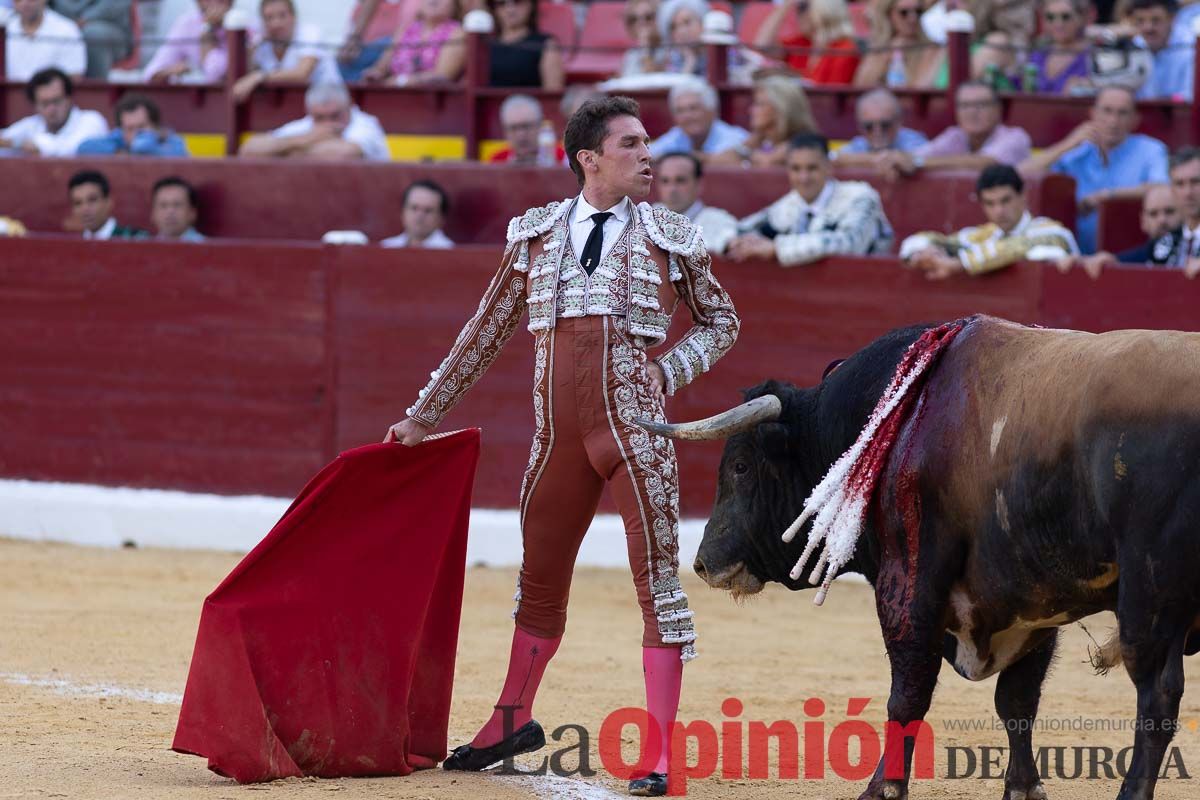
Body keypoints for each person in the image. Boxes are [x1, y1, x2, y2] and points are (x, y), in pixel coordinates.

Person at [385, 96, 738, 798]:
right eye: (633, 144)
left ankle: (661, 753)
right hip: (557, 442)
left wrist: (666, 371)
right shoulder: (536, 236)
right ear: (590, 157)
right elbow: (483, 333)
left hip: (636, 433)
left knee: (657, 587)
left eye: (649, 143)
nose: (649, 156)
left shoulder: (672, 235)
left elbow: (721, 322)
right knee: (537, 582)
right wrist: (423, 415)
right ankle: (510, 720)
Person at [1019, 85, 1168, 253]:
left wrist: (1108, 195)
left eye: (1122, 113)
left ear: (1135, 120)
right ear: (1093, 114)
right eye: (1107, 111)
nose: (1113, 121)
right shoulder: (1077, 149)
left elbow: (1162, 188)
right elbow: (1019, 176)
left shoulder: (1150, 149)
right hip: (1072, 253)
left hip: (1129, 252)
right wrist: (1067, 144)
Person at [729, 133, 894, 266]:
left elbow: (850, 243)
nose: (803, 178)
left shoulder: (860, 197)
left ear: (828, 167)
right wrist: (741, 243)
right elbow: (741, 230)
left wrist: (777, 248)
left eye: (812, 168)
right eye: (796, 169)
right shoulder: (789, 204)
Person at [899, 164, 1078, 278]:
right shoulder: (981, 235)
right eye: (990, 203)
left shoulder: (1050, 231)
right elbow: (928, 239)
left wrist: (960, 263)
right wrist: (924, 253)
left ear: (1023, 195)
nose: (999, 211)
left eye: (1005, 200)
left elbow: (1018, 246)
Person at [875, 81, 1031, 180]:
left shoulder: (1016, 137)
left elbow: (986, 162)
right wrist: (896, 160)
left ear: (998, 109)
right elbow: (917, 155)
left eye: (981, 104)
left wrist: (916, 163)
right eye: (965, 106)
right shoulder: (956, 135)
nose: (972, 112)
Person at [239, 82, 390, 161]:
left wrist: (284, 151)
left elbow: (344, 155)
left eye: (335, 116)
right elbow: (248, 150)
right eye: (320, 118)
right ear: (310, 112)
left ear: (350, 106)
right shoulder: (306, 125)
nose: (327, 124)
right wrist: (309, 138)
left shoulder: (366, 125)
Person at [232, 0, 343, 104]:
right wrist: (250, 49)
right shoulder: (261, 42)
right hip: (291, 108)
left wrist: (259, 77)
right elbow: (245, 80)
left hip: (330, 105)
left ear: (294, 17)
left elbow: (302, 74)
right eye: (269, 18)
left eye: (282, 16)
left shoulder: (310, 33)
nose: (276, 23)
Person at [1058, 182, 1178, 276]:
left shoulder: (1193, 246)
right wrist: (1083, 262)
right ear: (1143, 222)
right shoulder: (1145, 252)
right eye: (1153, 214)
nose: (1162, 220)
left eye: (1169, 212)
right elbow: (1120, 260)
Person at [709, 75, 818, 168]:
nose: (751, 110)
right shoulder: (761, 140)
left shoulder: (804, 142)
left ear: (781, 109)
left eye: (759, 104)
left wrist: (746, 153)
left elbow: (768, 163)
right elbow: (717, 161)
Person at [0, 67, 107, 156]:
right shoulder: (32, 124)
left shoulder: (92, 120)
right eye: (45, 103)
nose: (51, 109)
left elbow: (71, 149)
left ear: (69, 99)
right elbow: (5, 139)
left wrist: (28, 144)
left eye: (56, 101)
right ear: (35, 106)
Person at [752, 0, 861, 84]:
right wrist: (785, 6)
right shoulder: (803, 42)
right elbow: (762, 47)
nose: (798, 13)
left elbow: (829, 99)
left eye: (804, 7)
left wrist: (792, 79)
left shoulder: (845, 49)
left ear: (825, 11)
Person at [360, 0, 465, 85]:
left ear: (455, 5)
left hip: (431, 102)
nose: (434, 0)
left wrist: (402, 81)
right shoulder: (404, 30)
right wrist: (374, 75)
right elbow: (381, 68)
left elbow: (442, 76)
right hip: (394, 96)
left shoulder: (458, 33)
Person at [654, 151, 739, 255]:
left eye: (680, 181)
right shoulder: (645, 217)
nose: (672, 189)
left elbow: (728, 244)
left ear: (698, 184)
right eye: (665, 181)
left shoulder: (720, 220)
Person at [648, 77, 749, 161]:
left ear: (712, 111)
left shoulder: (735, 138)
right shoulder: (678, 134)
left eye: (694, 108)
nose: (687, 116)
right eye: (680, 111)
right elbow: (650, 155)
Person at [143, 0, 243, 84]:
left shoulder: (245, 25)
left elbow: (215, 74)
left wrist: (208, 28)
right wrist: (168, 73)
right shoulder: (187, 24)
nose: (214, 2)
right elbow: (150, 74)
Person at [831, 88, 928, 167]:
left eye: (885, 125)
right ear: (860, 126)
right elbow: (832, 158)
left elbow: (924, 159)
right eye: (869, 126)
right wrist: (875, 159)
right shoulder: (860, 143)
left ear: (899, 122)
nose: (877, 132)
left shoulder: (913, 141)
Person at [853, 0, 941, 87]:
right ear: (889, 15)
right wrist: (888, 56)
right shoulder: (877, 50)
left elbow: (922, 87)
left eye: (918, 12)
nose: (913, 18)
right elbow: (860, 87)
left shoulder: (932, 50)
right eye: (904, 13)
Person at [1016, 0, 1093, 94]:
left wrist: (1087, 88)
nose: (1058, 24)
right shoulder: (1038, 53)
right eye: (1050, 17)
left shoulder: (1093, 54)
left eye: (1065, 17)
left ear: (1080, 19)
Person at [77, 93, 189, 157]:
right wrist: (119, 152)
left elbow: (176, 154)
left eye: (141, 127)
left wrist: (141, 149)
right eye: (130, 129)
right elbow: (84, 147)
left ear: (154, 125)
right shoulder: (119, 140)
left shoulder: (171, 140)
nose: (136, 133)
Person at [487, 0, 564, 89]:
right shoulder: (484, 45)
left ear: (531, 4)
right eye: (501, 3)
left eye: (518, 2)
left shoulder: (547, 44)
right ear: (494, 9)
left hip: (529, 101)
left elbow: (553, 94)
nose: (510, 9)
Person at [1129, 0, 1194, 100]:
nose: (1148, 28)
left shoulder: (1192, 49)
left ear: (1172, 19)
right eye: (1140, 21)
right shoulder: (1133, 47)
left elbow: (1189, 97)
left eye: (1156, 20)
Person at [4, 0, 86, 80]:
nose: (25, 3)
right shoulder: (5, 27)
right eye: (18, 0)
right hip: (6, 92)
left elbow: (74, 76)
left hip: (52, 93)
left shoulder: (67, 30)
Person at [48, 0, 132, 78]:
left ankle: (96, 91)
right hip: (63, 24)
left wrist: (84, 20)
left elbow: (112, 6)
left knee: (93, 34)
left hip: (110, 30)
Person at [67, 169, 147, 240]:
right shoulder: (72, 245)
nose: (85, 208)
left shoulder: (135, 239)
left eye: (92, 200)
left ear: (108, 202)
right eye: (78, 203)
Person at [488, 94, 565, 164]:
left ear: (540, 125)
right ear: (505, 131)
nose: (521, 135)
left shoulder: (562, 159)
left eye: (527, 126)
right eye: (513, 128)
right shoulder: (497, 161)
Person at [381, 180, 455, 248]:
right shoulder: (386, 246)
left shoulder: (450, 252)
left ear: (441, 219)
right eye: (414, 208)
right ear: (403, 212)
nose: (419, 216)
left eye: (428, 210)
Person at [150, 176, 206, 242]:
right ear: (153, 213)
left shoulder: (208, 249)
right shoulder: (145, 249)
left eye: (177, 205)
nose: (170, 212)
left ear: (192, 212)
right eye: (163, 205)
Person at [620, 0, 664, 76]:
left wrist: (645, 51)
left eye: (648, 17)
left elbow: (653, 81)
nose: (641, 23)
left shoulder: (671, 50)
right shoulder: (631, 55)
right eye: (634, 19)